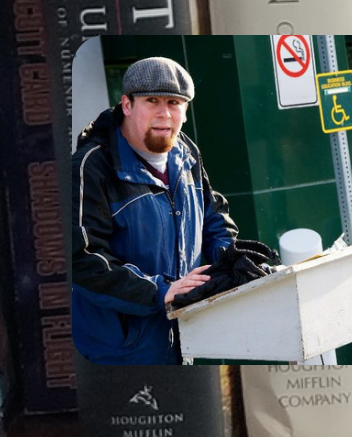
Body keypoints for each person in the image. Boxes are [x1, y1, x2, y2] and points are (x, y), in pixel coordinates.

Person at [70, 56, 241, 364]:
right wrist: (159, 291)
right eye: (152, 101)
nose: (164, 113)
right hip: (119, 353)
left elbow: (212, 215)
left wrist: (229, 259)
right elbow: (82, 258)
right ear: (127, 105)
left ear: (185, 111)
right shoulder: (91, 166)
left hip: (184, 339)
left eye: (174, 102)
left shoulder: (186, 152)